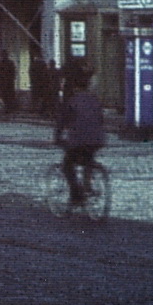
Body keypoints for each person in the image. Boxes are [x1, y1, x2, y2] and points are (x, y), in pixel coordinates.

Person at [54, 67, 106, 206]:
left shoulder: (72, 101)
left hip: (79, 140)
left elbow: (63, 121)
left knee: (67, 165)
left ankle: (76, 195)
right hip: (97, 139)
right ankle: (87, 185)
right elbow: (100, 119)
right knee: (88, 159)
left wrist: (58, 137)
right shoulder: (94, 99)